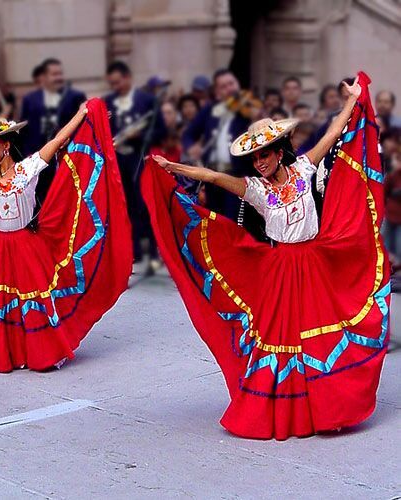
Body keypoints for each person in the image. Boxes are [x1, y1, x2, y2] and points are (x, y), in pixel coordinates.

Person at [143, 73, 389, 439]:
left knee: (319, 338)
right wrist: (173, 168)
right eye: (255, 157)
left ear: (280, 151)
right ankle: (281, 411)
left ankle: (326, 407)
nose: (259, 162)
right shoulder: (255, 190)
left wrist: (354, 99)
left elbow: (333, 133)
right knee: (280, 339)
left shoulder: (305, 169)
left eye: (265, 154)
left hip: (314, 264)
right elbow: (212, 176)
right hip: (279, 269)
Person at [0, 96, 132, 373]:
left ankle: (43, 354)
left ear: (6, 145)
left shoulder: (28, 169)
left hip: (27, 244)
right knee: (1, 299)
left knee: (33, 298)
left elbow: (55, 142)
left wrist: (81, 114)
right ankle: (6, 355)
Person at [182, 69, 263, 235]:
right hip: (213, 175)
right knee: (215, 220)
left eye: (232, 84)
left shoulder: (247, 108)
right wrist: (192, 147)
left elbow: (259, 123)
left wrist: (254, 115)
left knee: (233, 223)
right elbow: (189, 134)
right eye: (224, 86)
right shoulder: (210, 110)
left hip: (237, 176)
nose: (230, 89)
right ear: (218, 92)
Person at [104, 60, 166, 268]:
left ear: (128, 78)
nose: (115, 88)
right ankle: (134, 251)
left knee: (146, 203)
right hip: (117, 160)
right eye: (112, 84)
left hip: (140, 157)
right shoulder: (108, 102)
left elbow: (161, 131)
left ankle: (156, 251)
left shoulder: (147, 100)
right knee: (126, 205)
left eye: (118, 82)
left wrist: (139, 134)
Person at [20, 58, 86, 155]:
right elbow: (25, 130)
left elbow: (83, 126)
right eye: (54, 74)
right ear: (44, 77)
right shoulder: (30, 100)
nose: (59, 78)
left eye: (60, 74)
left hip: (68, 154)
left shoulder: (75, 97)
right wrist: (27, 154)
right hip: (38, 156)